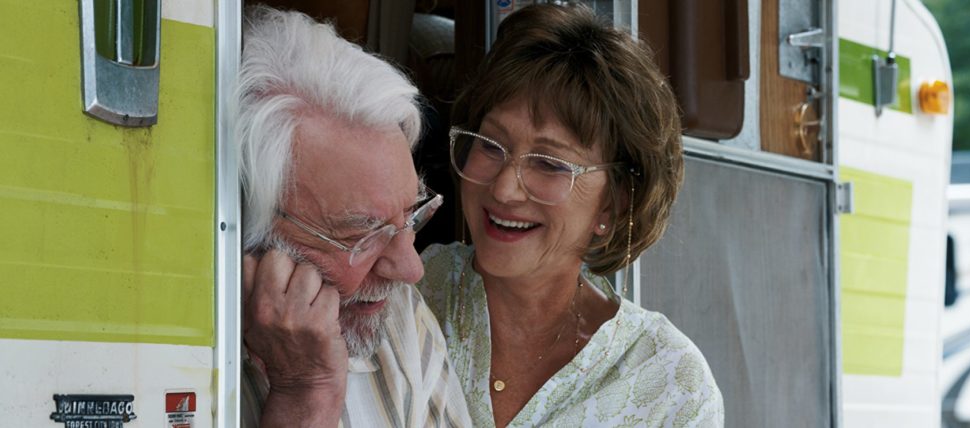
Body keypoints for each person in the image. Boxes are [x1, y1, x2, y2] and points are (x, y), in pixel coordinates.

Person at [417, 4, 724, 427]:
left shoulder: (667, 382)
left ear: (614, 203)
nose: (504, 188)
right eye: (490, 144)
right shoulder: (406, 293)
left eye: (549, 164)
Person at [236, 6, 469, 427]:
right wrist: (308, 397)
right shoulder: (171, 357)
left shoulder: (398, 317)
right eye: (364, 235)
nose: (412, 269)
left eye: (409, 216)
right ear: (248, 228)